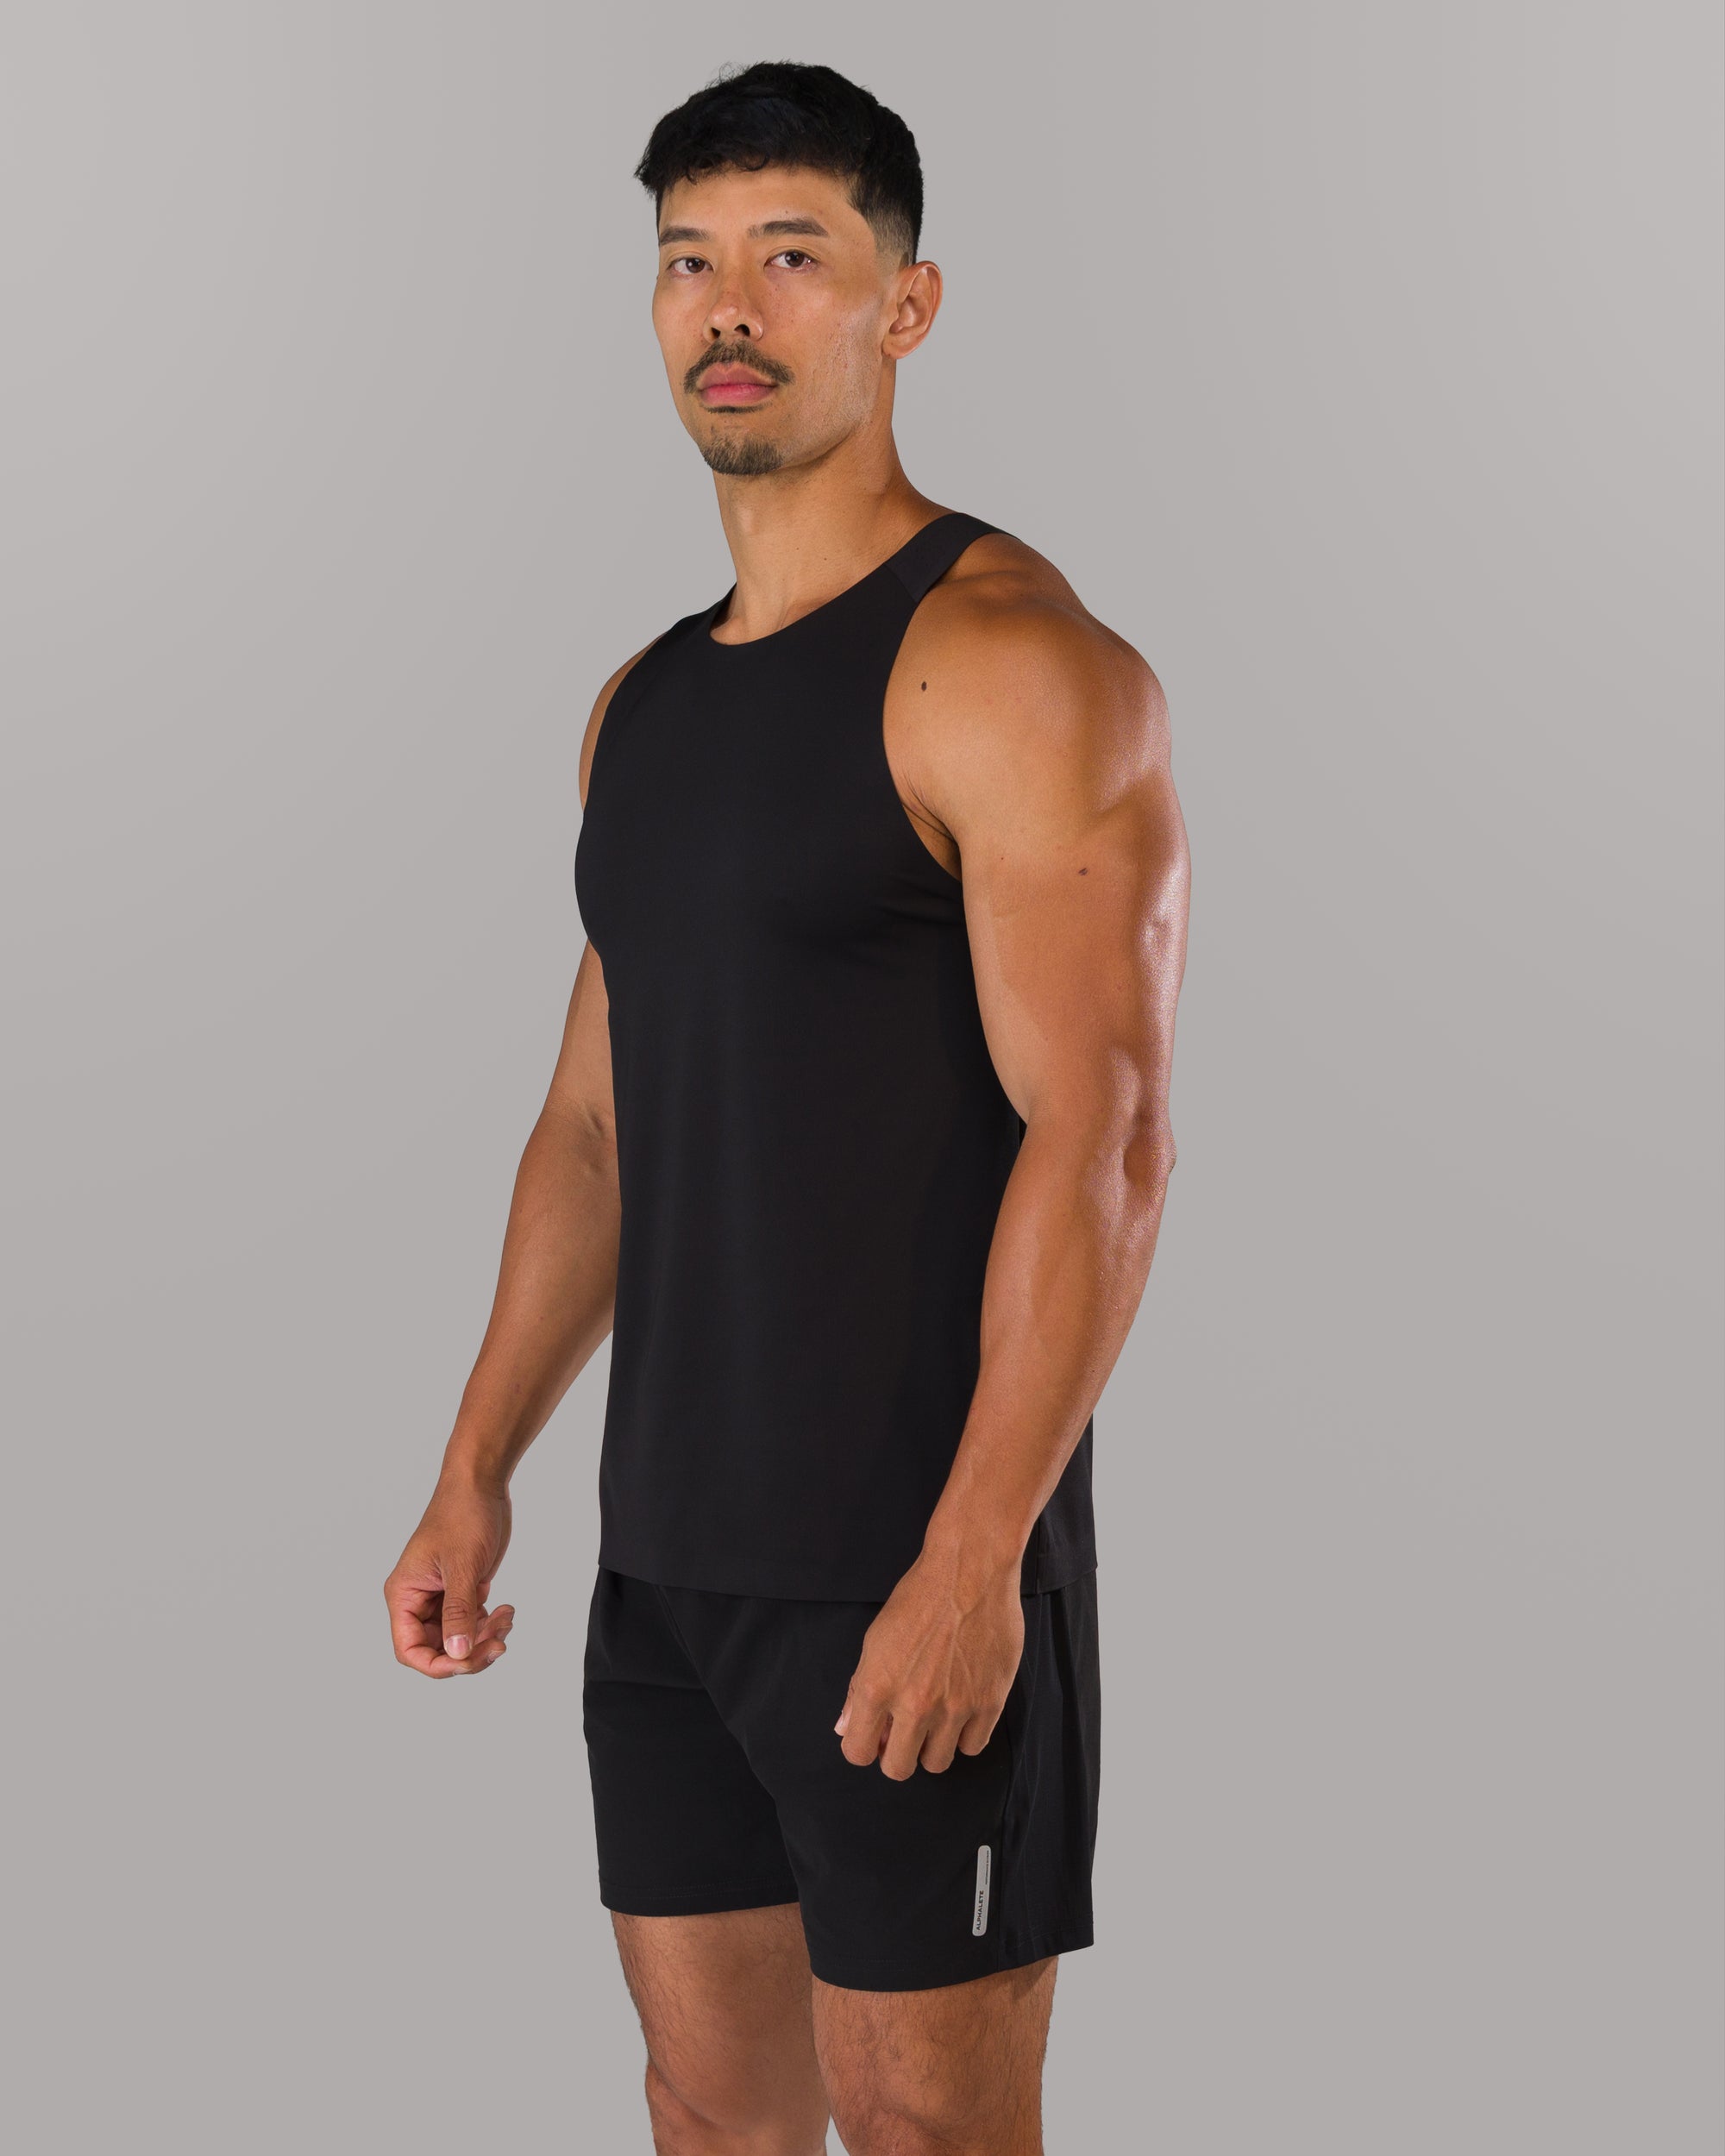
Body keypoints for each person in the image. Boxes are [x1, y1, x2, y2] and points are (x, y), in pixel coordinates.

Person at [384, 59, 1189, 2156]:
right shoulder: (641, 705)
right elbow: (596, 1129)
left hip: (907, 1551)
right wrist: (476, 1462)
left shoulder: (1012, 665)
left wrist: (975, 1556)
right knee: (705, 2106)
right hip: (666, 1560)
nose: (729, 306)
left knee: (925, 2126)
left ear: (904, 305)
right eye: (688, 261)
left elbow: (1105, 1138)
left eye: (792, 256)